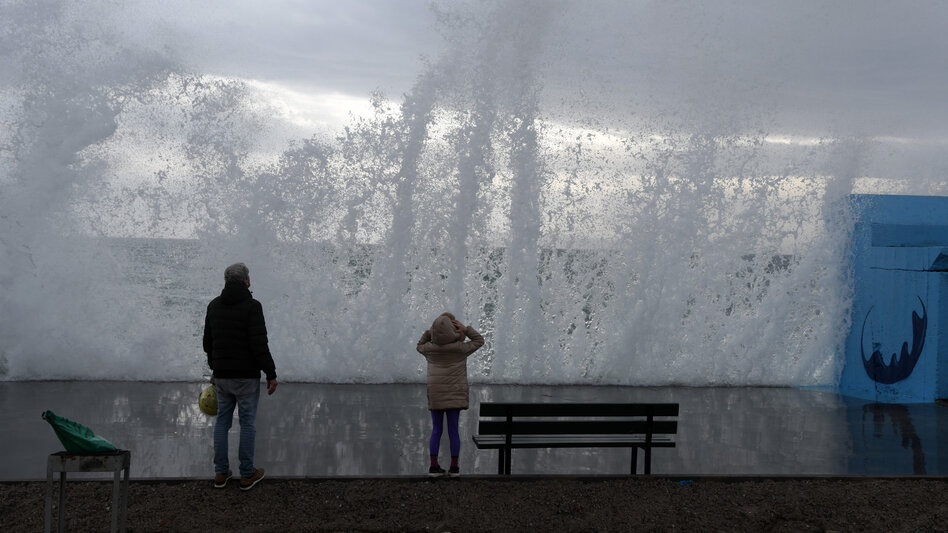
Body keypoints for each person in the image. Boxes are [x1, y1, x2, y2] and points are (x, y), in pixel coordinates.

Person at [203, 262, 278, 491]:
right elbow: (259, 345)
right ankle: (247, 474)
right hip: (246, 378)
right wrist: (271, 373)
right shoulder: (252, 306)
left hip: (223, 377)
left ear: (226, 281)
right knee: (247, 424)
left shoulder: (214, 306)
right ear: (246, 281)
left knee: (222, 423)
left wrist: (215, 369)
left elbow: (208, 343)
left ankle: (220, 472)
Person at [416, 312, 484, 476]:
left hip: (436, 394)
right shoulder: (460, 349)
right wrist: (466, 329)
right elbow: (479, 341)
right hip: (454, 395)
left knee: (436, 430)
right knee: (453, 431)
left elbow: (419, 345)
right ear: (453, 331)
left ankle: (433, 467)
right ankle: (454, 467)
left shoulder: (430, 349)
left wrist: (430, 332)